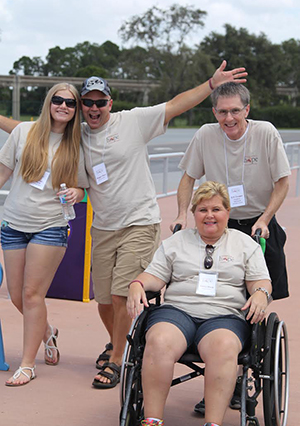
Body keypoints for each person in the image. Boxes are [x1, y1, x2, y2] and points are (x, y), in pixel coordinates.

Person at [0, 61, 248, 389]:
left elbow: (176, 105)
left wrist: (211, 85)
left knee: (120, 296)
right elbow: (29, 130)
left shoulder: (132, 121)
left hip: (138, 222)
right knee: (104, 300)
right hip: (103, 226)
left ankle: (117, 359)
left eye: (98, 101)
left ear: (109, 103)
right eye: (85, 102)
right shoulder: (77, 136)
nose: (92, 107)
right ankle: (116, 343)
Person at [171, 81, 290, 413]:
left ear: (246, 110)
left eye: (235, 110)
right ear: (214, 113)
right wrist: (183, 214)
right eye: (222, 112)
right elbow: (187, 177)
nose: (229, 118)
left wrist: (266, 217)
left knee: (256, 299)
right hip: (217, 224)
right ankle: (224, 378)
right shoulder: (206, 135)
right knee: (218, 299)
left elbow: (282, 181)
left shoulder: (265, 133)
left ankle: (241, 374)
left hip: (258, 225)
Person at [127, 181, 271, 426]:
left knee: (224, 346)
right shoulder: (176, 242)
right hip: (177, 311)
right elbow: (154, 277)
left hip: (224, 315)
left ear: (228, 211)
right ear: (194, 213)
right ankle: (150, 425)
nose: (210, 215)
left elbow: (260, 282)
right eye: (203, 209)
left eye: (216, 208)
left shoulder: (244, 244)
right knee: (158, 340)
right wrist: (137, 284)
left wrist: (261, 293)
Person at [0, 83, 89, 386]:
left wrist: (76, 192)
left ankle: (27, 364)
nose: (63, 106)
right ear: (49, 102)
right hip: (13, 223)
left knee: (31, 294)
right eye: (58, 100)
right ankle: (47, 330)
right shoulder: (23, 133)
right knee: (16, 295)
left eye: (70, 102)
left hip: (49, 226)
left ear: (76, 110)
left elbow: (83, 185)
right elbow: (3, 172)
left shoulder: (78, 142)